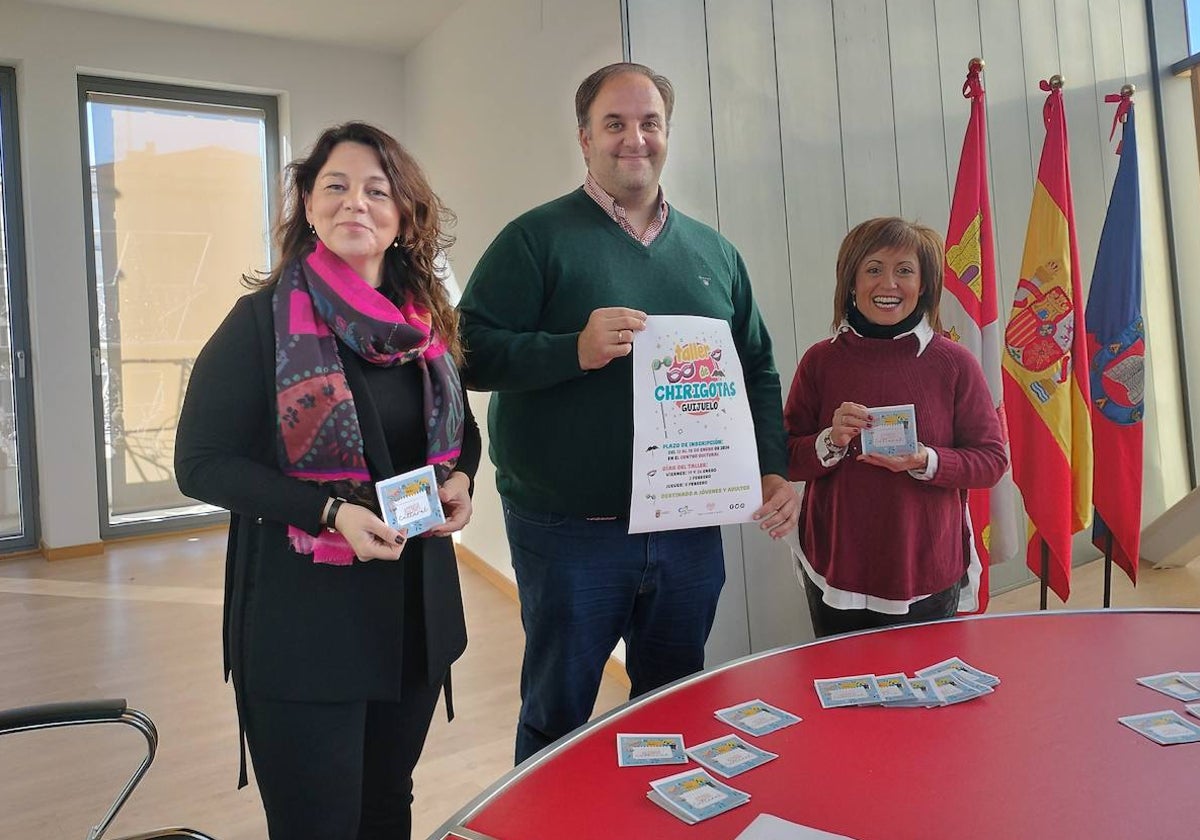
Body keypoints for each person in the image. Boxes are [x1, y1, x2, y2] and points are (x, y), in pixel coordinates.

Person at [458, 62, 799, 765]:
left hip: (688, 528)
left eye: (649, 123)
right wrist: (571, 350)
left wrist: (773, 467)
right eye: (614, 123)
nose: (633, 138)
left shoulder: (714, 253)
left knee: (673, 704)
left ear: (668, 135)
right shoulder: (536, 240)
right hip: (569, 533)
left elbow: (756, 367)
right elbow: (467, 353)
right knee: (558, 711)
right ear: (584, 138)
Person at [174, 122, 480, 840]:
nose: (356, 204)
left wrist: (464, 477)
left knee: (385, 807)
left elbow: (463, 428)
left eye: (378, 190)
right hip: (306, 629)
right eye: (335, 186)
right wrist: (328, 513)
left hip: (415, 617)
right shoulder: (261, 322)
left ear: (402, 213)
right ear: (307, 204)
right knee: (320, 824)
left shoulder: (423, 321)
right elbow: (200, 461)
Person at [784, 217, 1007, 638]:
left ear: (923, 285)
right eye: (873, 269)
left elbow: (992, 461)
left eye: (904, 270)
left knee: (925, 694)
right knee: (845, 690)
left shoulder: (955, 363)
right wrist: (829, 441)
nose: (889, 284)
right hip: (836, 570)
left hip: (927, 570)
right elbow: (786, 456)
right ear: (851, 281)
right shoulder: (820, 361)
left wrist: (927, 460)